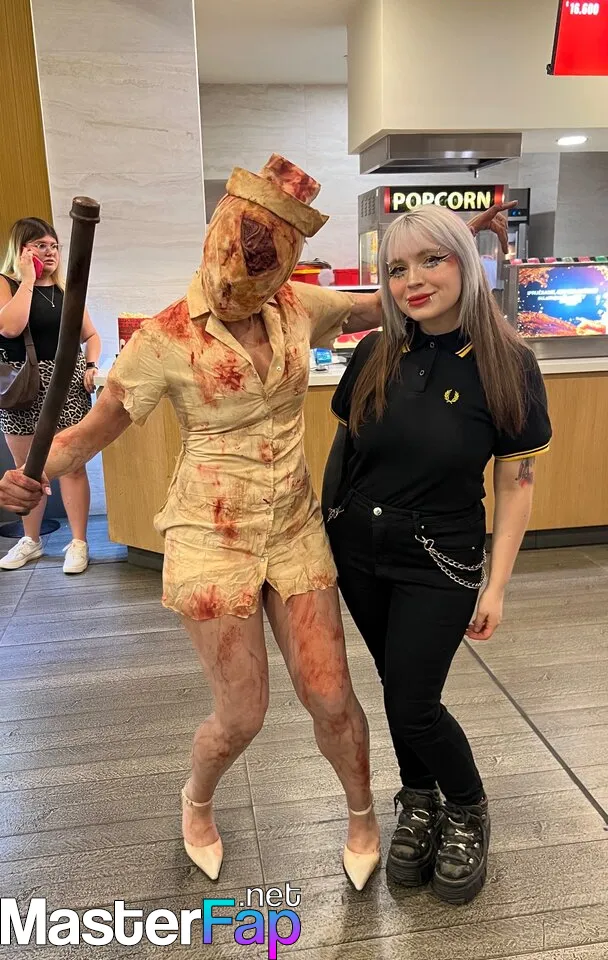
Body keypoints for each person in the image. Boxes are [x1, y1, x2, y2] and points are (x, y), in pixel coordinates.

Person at [0, 157, 512, 891]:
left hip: (295, 528)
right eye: (231, 263)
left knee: (331, 696)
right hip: (211, 537)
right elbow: (88, 434)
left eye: (259, 273)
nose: (237, 284)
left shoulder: (297, 306)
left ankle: (364, 815)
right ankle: (197, 800)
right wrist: (30, 473)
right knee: (242, 713)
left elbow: (389, 300)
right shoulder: (165, 338)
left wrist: (456, 239)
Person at [322, 204, 551, 905]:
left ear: (465, 263)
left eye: (431, 260)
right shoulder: (374, 352)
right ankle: (418, 798)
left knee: (414, 700)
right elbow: (343, 454)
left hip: (441, 559)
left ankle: (467, 805)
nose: (412, 281)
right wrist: (325, 534)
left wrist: (497, 585)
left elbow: (515, 485)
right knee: (396, 685)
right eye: (397, 269)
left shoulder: (510, 363)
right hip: (360, 552)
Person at [0, 218, 101, 574]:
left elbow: (91, 335)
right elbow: (10, 327)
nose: (50, 252)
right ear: (21, 249)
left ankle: (79, 542)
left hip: (67, 385)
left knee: (72, 465)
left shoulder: (66, 290)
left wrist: (91, 365)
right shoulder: (6, 283)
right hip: (22, 387)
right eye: (40, 245)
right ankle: (31, 540)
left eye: (54, 246)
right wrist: (28, 279)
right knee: (26, 471)